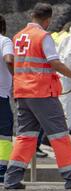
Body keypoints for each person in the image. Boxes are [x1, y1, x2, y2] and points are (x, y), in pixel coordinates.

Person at [3, 3, 71, 190]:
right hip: (42, 93)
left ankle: (11, 178)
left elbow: (12, 62)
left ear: (32, 15)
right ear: (48, 20)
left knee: (25, 137)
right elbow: (55, 63)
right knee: (60, 135)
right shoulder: (43, 36)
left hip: (23, 93)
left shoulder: (18, 36)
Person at [0, 16, 13, 180]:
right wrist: (17, 75)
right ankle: (1, 169)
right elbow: (9, 59)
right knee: (4, 134)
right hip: (1, 95)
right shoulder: (4, 41)